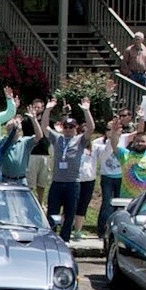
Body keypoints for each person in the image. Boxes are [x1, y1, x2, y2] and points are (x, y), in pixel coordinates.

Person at [39, 97, 95, 241]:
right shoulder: (58, 138)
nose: (68, 129)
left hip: (72, 183)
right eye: (66, 127)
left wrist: (86, 111)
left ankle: (65, 238)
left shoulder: (80, 140)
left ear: (76, 128)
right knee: (52, 212)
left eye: (71, 127)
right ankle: (51, 237)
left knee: (70, 213)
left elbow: (91, 128)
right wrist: (48, 109)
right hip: (57, 182)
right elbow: (44, 127)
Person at [92, 118, 123, 239]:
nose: (111, 131)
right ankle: (102, 230)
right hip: (107, 177)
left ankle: (115, 230)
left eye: (115, 129)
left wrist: (141, 118)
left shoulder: (124, 139)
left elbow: (140, 132)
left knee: (119, 205)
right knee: (107, 203)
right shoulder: (98, 142)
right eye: (109, 129)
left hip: (120, 177)